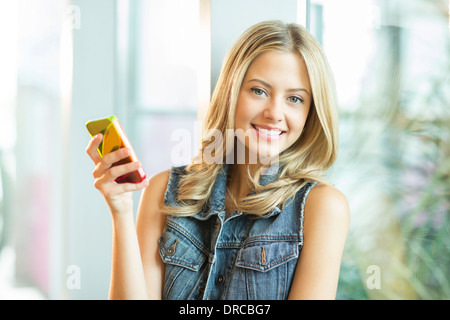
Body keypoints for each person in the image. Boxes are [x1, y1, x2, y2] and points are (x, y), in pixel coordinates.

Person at [86, 20, 350, 300]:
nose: (274, 112)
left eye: (295, 99)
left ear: (311, 113)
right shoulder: (164, 192)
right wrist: (121, 211)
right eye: (259, 91)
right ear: (231, 94)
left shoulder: (321, 208)